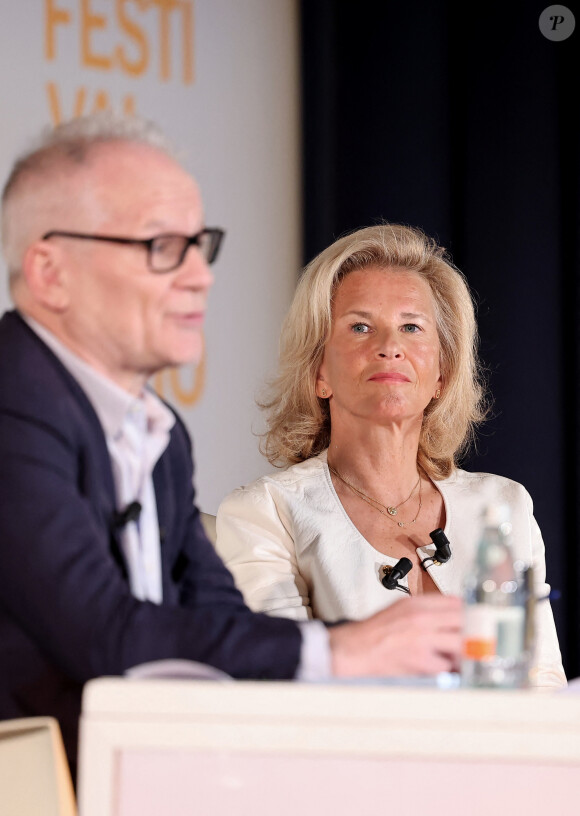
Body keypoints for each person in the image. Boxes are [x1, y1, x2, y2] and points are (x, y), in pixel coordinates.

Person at [0, 115, 463, 775]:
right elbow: (99, 636)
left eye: (198, 245)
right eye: (161, 246)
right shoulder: (12, 403)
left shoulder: (160, 433)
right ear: (50, 272)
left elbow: (221, 621)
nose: (199, 276)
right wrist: (346, 651)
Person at [215, 223, 566, 689]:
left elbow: (544, 685)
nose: (389, 347)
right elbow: (283, 689)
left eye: (411, 327)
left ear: (441, 373)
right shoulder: (265, 514)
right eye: (360, 327)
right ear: (319, 372)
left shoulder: (504, 508)